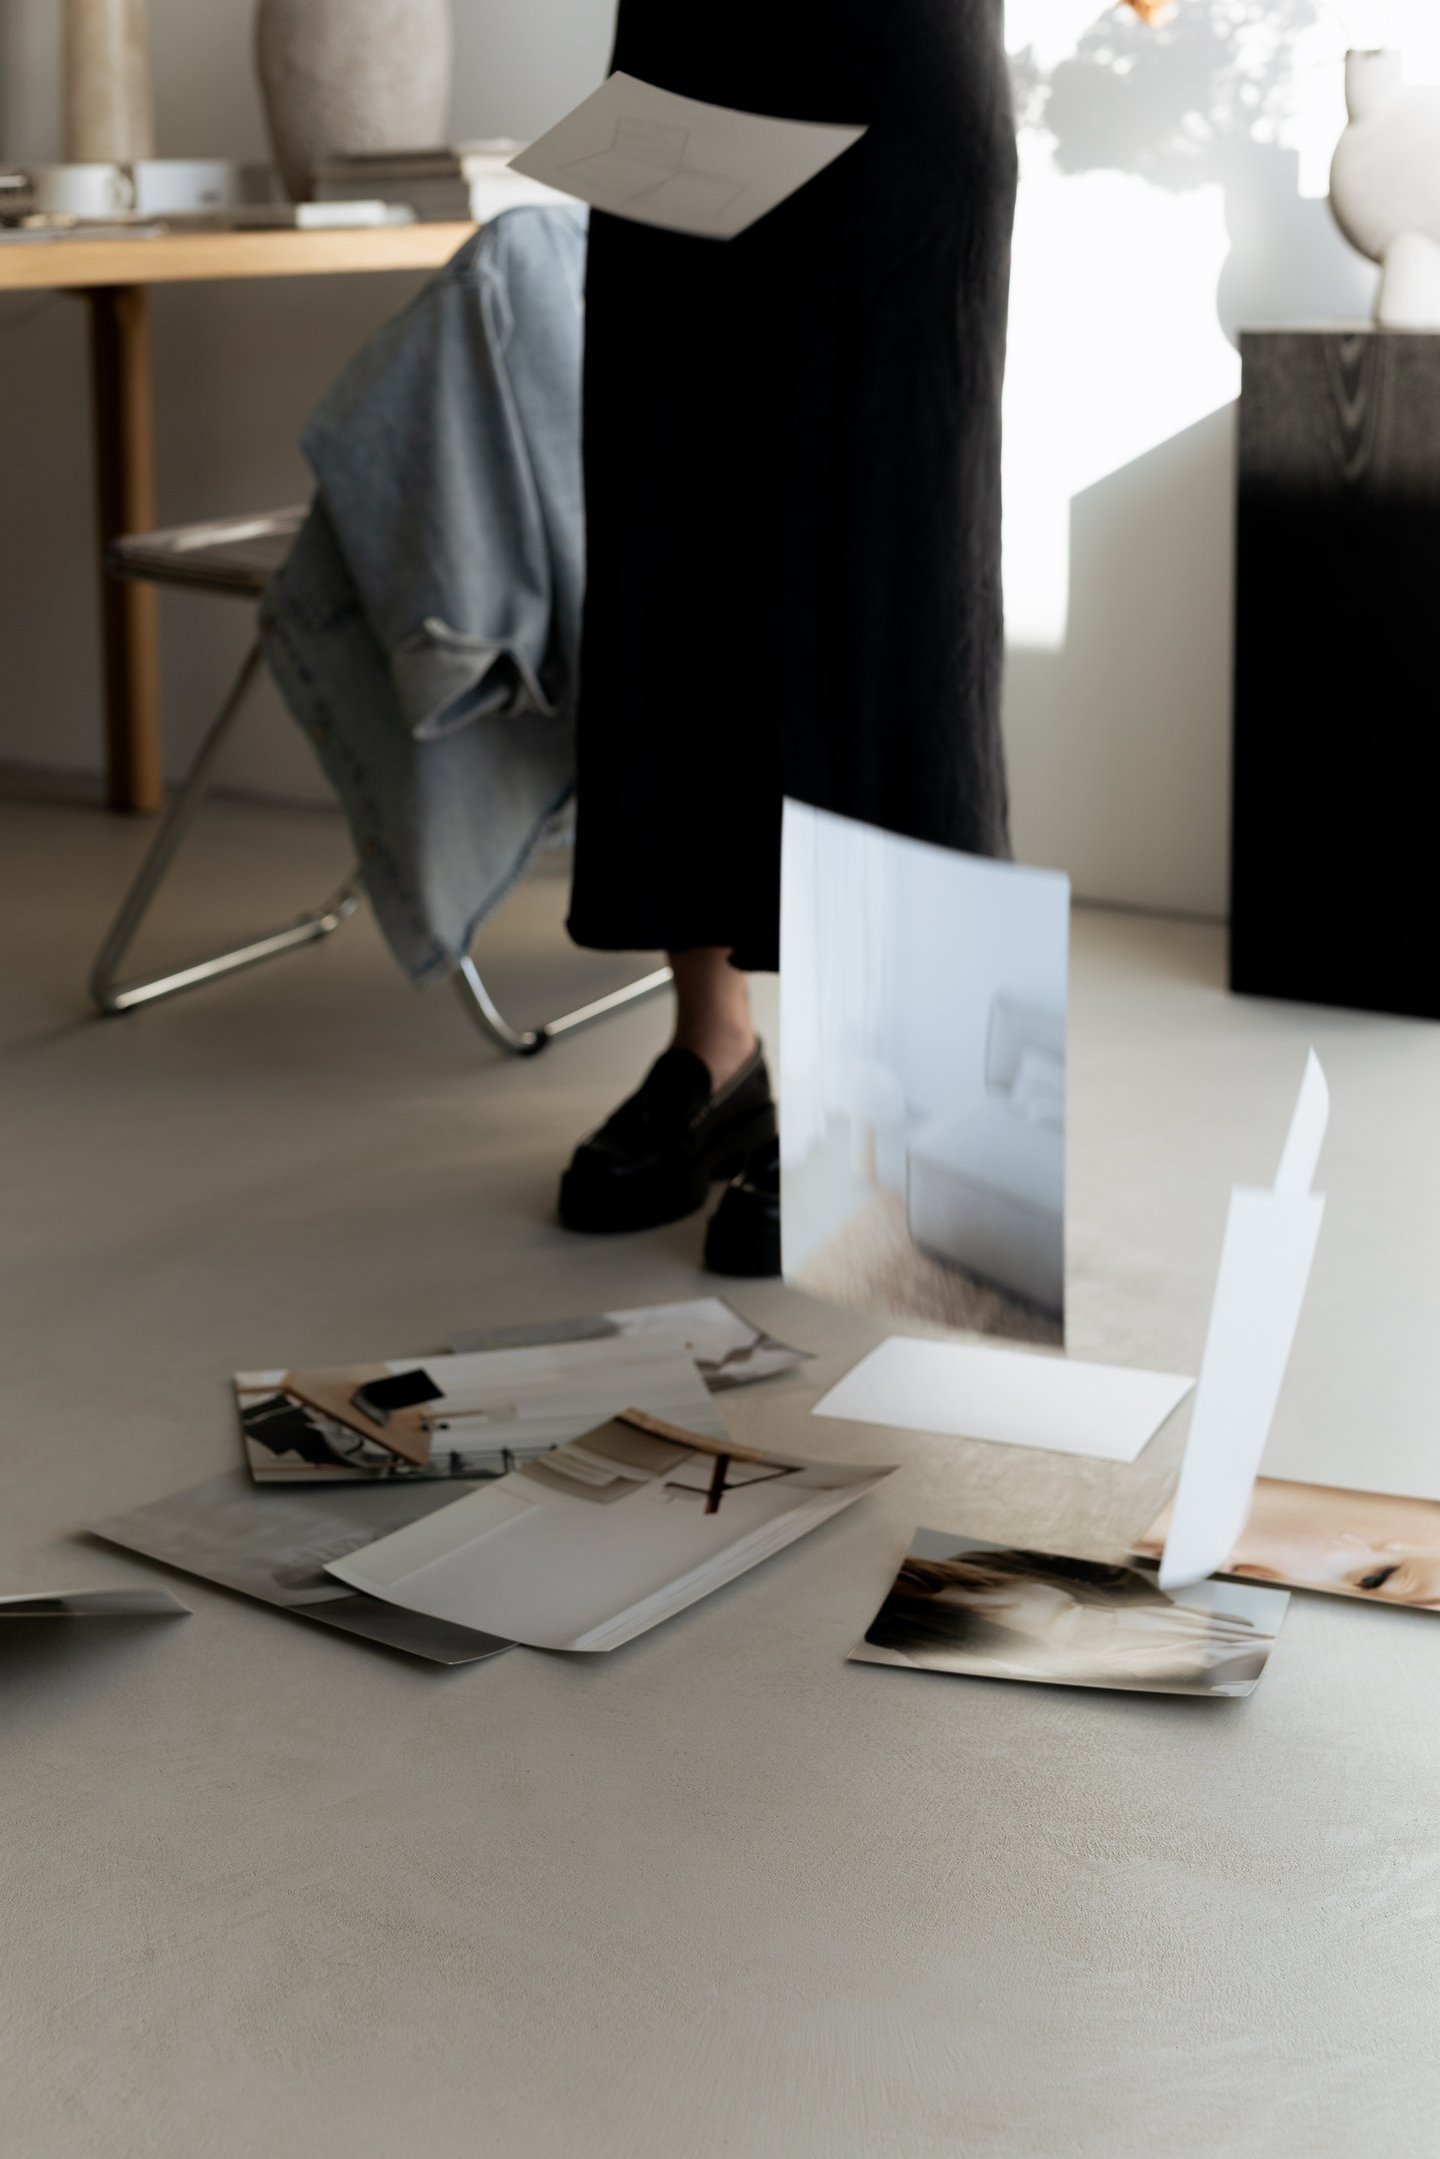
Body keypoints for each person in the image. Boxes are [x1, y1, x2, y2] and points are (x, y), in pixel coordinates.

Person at [558, 0, 1161, 1272]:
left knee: (891, 574)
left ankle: (908, 1104)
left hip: (892, 62)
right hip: (681, 56)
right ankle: (714, 1048)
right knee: (672, 546)